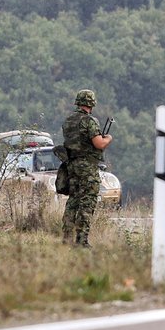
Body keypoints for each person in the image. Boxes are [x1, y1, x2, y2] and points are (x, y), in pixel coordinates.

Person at [61, 89, 112, 247]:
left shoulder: (68, 121)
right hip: (87, 167)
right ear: (91, 103)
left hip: (71, 165)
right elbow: (99, 143)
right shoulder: (89, 121)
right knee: (87, 201)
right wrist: (108, 138)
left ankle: (66, 238)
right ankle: (82, 240)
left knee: (73, 201)